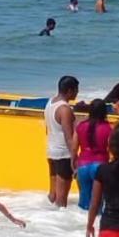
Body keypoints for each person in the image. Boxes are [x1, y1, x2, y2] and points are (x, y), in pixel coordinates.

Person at [45, 76, 79, 207]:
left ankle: (44, 221)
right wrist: (74, 159)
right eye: (76, 90)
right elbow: (69, 137)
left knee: (53, 195)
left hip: (51, 152)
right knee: (61, 199)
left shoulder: (50, 103)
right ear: (70, 91)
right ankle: (57, 224)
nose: (77, 93)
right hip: (63, 155)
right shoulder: (65, 109)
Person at [74, 99, 112, 211]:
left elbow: (73, 147)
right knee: (98, 205)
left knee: (84, 204)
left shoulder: (81, 126)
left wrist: (74, 163)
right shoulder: (108, 128)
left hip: (83, 166)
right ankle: (95, 226)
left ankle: (80, 227)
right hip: (100, 167)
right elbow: (112, 149)